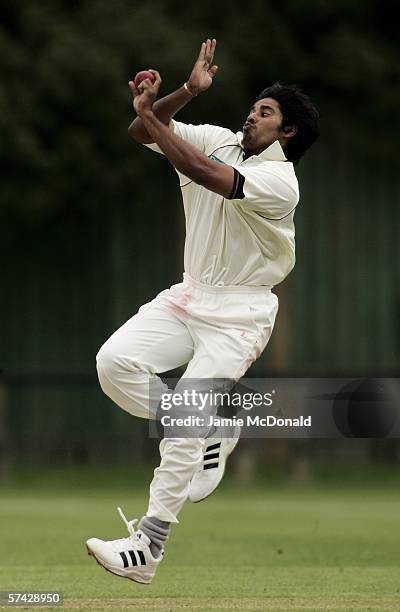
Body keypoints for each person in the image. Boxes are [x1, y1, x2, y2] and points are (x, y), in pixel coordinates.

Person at [86, 39, 319, 584]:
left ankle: (148, 546)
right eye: (255, 107)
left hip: (241, 312)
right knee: (113, 364)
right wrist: (181, 94)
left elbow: (199, 170)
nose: (251, 115)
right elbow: (142, 135)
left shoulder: (281, 184)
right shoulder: (221, 139)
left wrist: (152, 114)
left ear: (287, 133)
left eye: (266, 113)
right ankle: (213, 426)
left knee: (186, 417)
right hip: (190, 294)